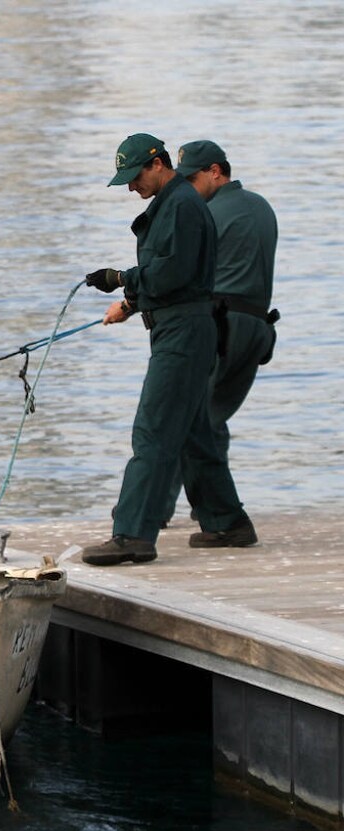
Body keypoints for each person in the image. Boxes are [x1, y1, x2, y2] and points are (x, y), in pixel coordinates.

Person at [80, 133, 255, 566]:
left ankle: (132, 535)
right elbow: (179, 274)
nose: (129, 186)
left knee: (153, 431)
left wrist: (122, 279)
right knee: (194, 433)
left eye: (134, 175)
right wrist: (131, 305)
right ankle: (227, 522)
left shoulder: (180, 204)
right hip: (184, 329)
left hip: (183, 335)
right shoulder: (176, 203)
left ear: (158, 163)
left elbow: (172, 273)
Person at [160, 140, 279, 527]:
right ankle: (210, 506)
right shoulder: (261, 206)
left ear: (216, 171)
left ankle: (155, 511)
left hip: (219, 326)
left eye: (192, 178)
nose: (188, 187)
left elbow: (179, 272)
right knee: (211, 418)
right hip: (257, 328)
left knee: (182, 416)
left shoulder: (206, 213)